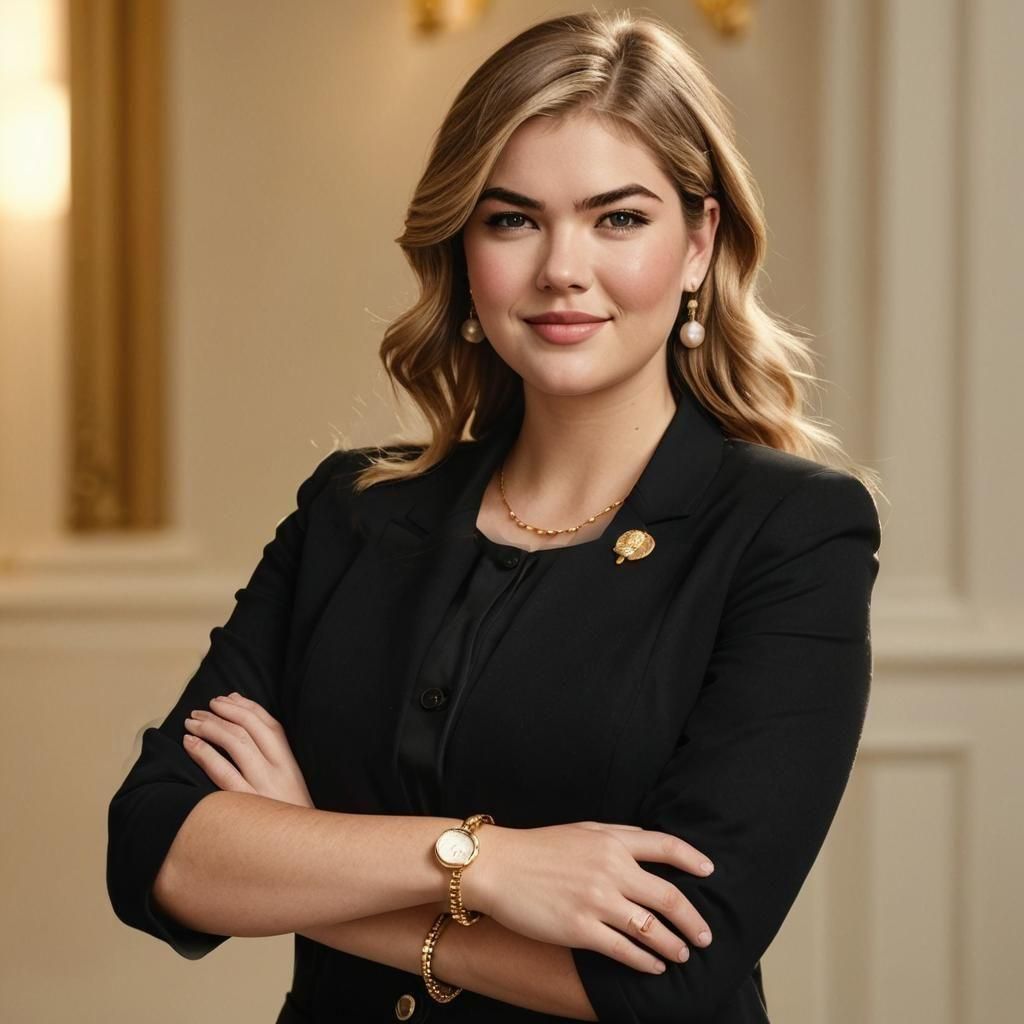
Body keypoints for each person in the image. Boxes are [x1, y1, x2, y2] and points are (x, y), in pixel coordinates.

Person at [106, 10, 883, 1023]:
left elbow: (667, 976)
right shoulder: (351, 513)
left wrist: (308, 854)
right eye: (512, 218)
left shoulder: (793, 531)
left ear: (698, 244)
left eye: (618, 219)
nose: (562, 267)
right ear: (463, 249)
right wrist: (484, 862)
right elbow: (154, 848)